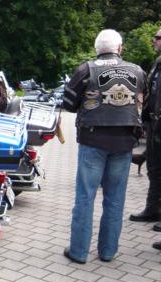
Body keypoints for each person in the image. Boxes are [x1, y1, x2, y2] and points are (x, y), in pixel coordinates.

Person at [62, 29, 146, 263]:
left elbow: (68, 103)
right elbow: (144, 101)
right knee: (115, 199)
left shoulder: (86, 69)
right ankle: (108, 252)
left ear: (97, 49)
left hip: (92, 140)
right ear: (119, 48)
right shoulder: (138, 71)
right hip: (124, 142)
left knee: (85, 197)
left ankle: (79, 252)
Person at [134, 28, 161, 250]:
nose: (155, 40)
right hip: (153, 123)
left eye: (158, 37)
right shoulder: (158, 63)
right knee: (154, 169)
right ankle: (153, 210)